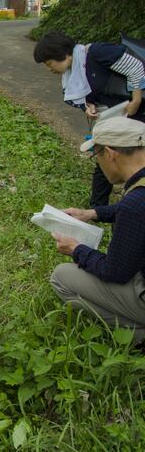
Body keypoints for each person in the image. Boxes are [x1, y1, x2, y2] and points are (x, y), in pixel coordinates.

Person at [49, 117, 145, 343]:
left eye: (97, 156)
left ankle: (138, 337)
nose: (98, 164)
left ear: (110, 154)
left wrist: (76, 249)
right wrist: (92, 213)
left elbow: (115, 272)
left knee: (61, 277)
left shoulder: (135, 204)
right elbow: (132, 211)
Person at [34, 31, 145, 207]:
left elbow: (135, 67)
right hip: (118, 114)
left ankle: (131, 205)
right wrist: (89, 105)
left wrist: (136, 99)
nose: (50, 69)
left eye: (49, 63)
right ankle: (97, 209)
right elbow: (88, 92)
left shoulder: (97, 52)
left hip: (138, 111)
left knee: (136, 158)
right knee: (104, 156)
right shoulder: (73, 72)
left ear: (63, 54)